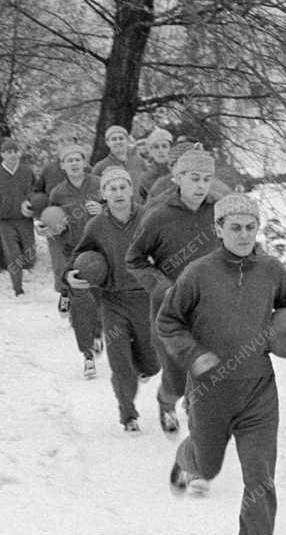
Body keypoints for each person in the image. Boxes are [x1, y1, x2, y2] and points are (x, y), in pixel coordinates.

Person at [156, 192, 286, 535]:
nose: (243, 234)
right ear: (218, 229)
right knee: (209, 465)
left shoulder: (270, 271)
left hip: (258, 390)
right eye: (235, 227)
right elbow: (167, 322)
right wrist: (194, 354)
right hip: (210, 390)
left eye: (250, 227)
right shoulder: (198, 274)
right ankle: (188, 458)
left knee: (260, 476)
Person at [125, 144, 225, 432]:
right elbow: (135, 259)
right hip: (171, 310)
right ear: (178, 178)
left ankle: (197, 411)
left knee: (208, 366)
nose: (201, 185)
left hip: (210, 306)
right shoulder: (159, 215)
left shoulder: (220, 211)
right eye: (194, 178)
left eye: (206, 179)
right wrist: (163, 287)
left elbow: (237, 249)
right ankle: (166, 400)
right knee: (177, 377)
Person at [68, 165, 160, 430]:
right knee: (120, 363)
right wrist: (69, 275)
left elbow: (166, 250)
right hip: (112, 300)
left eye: (122, 187)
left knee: (152, 364)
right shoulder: (96, 225)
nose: (118, 193)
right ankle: (128, 414)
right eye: (111, 189)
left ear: (131, 190)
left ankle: (143, 368)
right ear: (104, 194)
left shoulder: (150, 219)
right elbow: (79, 255)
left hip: (145, 298)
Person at [48, 144, 103, 377]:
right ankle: (87, 355)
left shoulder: (99, 184)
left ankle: (98, 333)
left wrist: (102, 209)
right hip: (74, 252)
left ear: (84, 162)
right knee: (80, 304)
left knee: (100, 299)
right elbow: (52, 223)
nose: (74, 163)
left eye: (77, 159)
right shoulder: (58, 193)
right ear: (62, 166)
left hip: (101, 250)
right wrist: (53, 227)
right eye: (68, 160)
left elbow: (121, 209)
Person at [0, 138, 36, 296]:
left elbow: (37, 192)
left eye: (15, 151)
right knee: (13, 255)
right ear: (3, 154)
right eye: (9, 152)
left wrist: (34, 205)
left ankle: (24, 269)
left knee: (30, 255)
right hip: (5, 222)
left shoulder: (28, 172)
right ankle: (18, 289)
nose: (13, 155)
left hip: (25, 220)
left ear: (19, 153)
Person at [31, 150, 69, 311]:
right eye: (61, 141)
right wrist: (39, 213)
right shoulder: (49, 170)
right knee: (60, 264)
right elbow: (37, 193)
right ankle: (65, 296)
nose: (65, 144)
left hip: (79, 223)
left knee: (80, 263)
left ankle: (86, 302)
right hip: (54, 224)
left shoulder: (86, 169)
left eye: (69, 139)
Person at [92, 124, 148, 196]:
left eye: (121, 138)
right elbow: (93, 193)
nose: (118, 142)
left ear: (127, 141)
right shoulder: (100, 167)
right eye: (114, 139)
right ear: (108, 143)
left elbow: (148, 187)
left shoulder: (139, 162)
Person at [136, 128, 174, 203]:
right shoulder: (145, 177)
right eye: (156, 147)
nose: (160, 150)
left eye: (164, 146)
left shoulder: (180, 172)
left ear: (171, 149)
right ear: (151, 151)